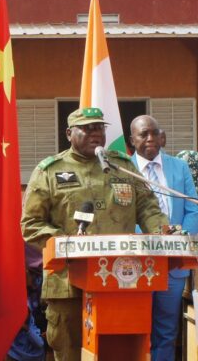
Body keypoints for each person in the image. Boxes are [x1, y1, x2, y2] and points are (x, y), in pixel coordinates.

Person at [21, 107, 169, 361]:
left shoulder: (121, 166)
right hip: (67, 281)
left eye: (99, 128)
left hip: (120, 280)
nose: (95, 133)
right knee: (70, 352)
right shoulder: (49, 171)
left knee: (119, 351)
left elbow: (147, 208)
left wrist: (162, 232)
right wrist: (67, 243)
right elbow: (31, 224)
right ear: (69, 133)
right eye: (87, 128)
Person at [129, 115, 198, 361]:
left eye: (154, 133)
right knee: (136, 329)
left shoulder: (179, 167)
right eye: (143, 134)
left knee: (167, 331)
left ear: (162, 137)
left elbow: (193, 209)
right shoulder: (123, 170)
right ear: (132, 140)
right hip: (137, 264)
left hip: (173, 264)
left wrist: (178, 243)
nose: (150, 139)